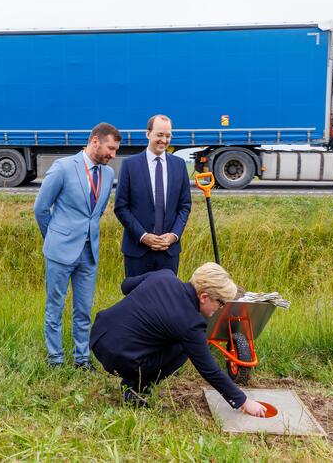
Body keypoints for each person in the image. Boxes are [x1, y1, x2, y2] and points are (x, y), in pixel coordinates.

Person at [90, 263, 267, 417]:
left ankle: (134, 377)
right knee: (183, 349)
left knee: (174, 338)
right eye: (221, 303)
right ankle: (135, 389)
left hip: (99, 337)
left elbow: (125, 286)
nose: (221, 308)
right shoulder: (190, 323)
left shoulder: (165, 275)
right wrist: (243, 401)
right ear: (204, 297)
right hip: (120, 359)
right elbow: (209, 369)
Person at [33, 123, 121, 369]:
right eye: (111, 149)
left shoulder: (108, 174)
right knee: (55, 308)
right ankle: (55, 360)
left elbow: (98, 211)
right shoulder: (63, 168)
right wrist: (53, 237)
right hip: (60, 251)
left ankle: (81, 359)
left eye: (115, 150)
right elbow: (40, 208)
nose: (113, 155)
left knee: (84, 310)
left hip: (88, 252)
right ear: (95, 141)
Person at [114, 114, 192, 277]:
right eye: (159, 135)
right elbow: (121, 207)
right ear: (148, 134)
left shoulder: (179, 166)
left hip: (168, 251)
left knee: (166, 300)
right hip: (138, 251)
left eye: (168, 135)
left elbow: (184, 206)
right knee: (137, 300)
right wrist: (143, 236)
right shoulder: (130, 165)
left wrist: (173, 236)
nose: (164, 140)